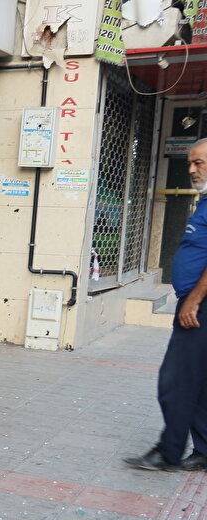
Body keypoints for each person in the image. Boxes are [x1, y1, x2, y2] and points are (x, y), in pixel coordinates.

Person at [126, 138, 207, 472]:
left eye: (199, 162)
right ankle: (204, 450)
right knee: (199, 381)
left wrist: (194, 300)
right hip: (197, 302)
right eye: (190, 163)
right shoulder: (204, 201)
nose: (191, 169)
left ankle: (168, 451)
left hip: (200, 306)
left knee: (176, 379)